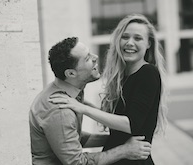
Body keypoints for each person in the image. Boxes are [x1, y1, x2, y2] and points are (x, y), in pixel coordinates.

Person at [49, 14, 168, 165]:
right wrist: (82, 103)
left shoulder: (148, 73)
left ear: (149, 44)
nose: (130, 43)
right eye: (125, 37)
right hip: (118, 158)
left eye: (138, 38)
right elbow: (116, 118)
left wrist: (82, 108)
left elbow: (131, 124)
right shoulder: (124, 76)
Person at [29, 36, 152, 165]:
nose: (95, 57)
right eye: (87, 58)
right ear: (71, 74)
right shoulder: (59, 110)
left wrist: (118, 139)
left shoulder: (71, 93)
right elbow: (78, 163)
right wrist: (124, 150)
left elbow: (74, 139)